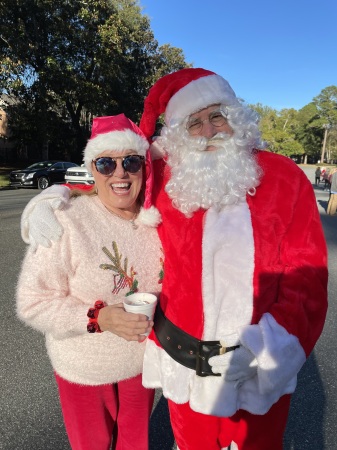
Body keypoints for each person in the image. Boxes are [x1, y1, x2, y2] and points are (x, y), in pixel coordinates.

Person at [20, 68, 328, 450]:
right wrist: (51, 196)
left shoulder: (284, 177)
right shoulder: (169, 176)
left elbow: (307, 275)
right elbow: (112, 178)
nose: (208, 130)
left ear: (236, 118)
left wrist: (271, 346)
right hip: (183, 367)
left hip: (256, 369)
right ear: (179, 135)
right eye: (193, 122)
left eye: (217, 115)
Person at [16, 114, 163, 450]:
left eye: (131, 161)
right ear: (92, 170)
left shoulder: (156, 222)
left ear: (144, 166)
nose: (120, 172)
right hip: (84, 369)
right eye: (106, 163)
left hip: (141, 365)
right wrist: (98, 317)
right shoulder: (65, 222)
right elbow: (32, 302)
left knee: (135, 443)